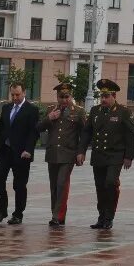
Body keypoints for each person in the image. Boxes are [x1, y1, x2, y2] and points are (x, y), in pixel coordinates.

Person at [78, 78, 134, 230]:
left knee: (110, 183)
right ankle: (101, 216)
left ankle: (109, 217)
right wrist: (81, 151)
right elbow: (86, 132)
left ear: (114, 96)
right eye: (101, 96)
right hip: (99, 155)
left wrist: (128, 157)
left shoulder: (123, 112)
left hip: (115, 155)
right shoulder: (95, 111)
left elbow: (131, 135)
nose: (103, 99)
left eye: (106, 96)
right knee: (100, 187)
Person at [37, 81, 85, 227]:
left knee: (61, 183)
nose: (64, 100)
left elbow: (84, 134)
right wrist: (49, 118)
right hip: (53, 153)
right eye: (61, 97)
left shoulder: (78, 111)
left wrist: (81, 152)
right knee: (54, 186)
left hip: (68, 154)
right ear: (57, 97)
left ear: (71, 96)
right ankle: (57, 214)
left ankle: (57, 215)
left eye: (66, 97)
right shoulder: (51, 109)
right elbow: (38, 127)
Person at [0, 81, 40, 224]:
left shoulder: (31, 110)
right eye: (12, 94)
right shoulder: (6, 108)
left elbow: (34, 132)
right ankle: (1, 210)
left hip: (21, 153)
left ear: (24, 93)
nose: (14, 97)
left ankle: (18, 214)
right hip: (4, 151)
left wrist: (29, 150)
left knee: (19, 185)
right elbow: (1, 129)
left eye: (17, 94)